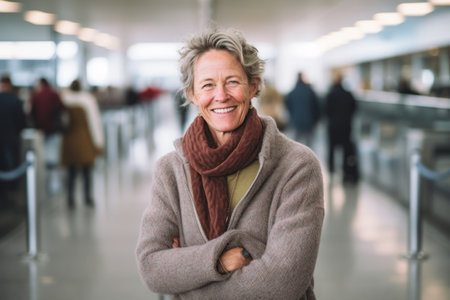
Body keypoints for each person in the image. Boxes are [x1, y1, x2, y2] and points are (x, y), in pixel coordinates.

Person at [136, 28, 324, 299]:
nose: (221, 95)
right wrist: (221, 261)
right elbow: (152, 267)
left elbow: (283, 283)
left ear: (253, 86)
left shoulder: (296, 167)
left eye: (233, 81)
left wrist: (187, 273)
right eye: (208, 84)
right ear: (192, 94)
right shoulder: (171, 170)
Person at [60, 79, 104, 208]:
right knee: (87, 171)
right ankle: (87, 198)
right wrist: (99, 142)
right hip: (84, 138)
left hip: (69, 139)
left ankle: (70, 198)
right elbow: (94, 123)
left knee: (71, 172)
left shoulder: (64, 99)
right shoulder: (88, 100)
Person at [325, 72, 358, 183]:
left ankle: (331, 169)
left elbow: (326, 110)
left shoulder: (330, 94)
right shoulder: (348, 94)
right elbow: (354, 108)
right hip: (346, 127)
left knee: (331, 149)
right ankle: (345, 172)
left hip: (333, 126)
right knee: (345, 150)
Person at [0, 75, 26, 207]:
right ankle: (10, 194)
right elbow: (22, 122)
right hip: (11, 138)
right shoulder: (16, 101)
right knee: (10, 166)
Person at [29, 77, 65, 168]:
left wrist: (36, 125)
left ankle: (42, 167)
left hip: (41, 128)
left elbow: (32, 112)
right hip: (53, 128)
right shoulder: (54, 94)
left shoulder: (36, 95)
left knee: (41, 151)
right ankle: (51, 166)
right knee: (51, 152)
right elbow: (61, 108)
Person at [285, 72, 320, 147]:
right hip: (309, 122)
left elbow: (288, 107)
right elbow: (316, 107)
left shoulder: (292, 93)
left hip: (296, 123)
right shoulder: (310, 91)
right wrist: (316, 120)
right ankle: (309, 159)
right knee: (309, 146)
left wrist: (292, 117)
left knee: (296, 146)